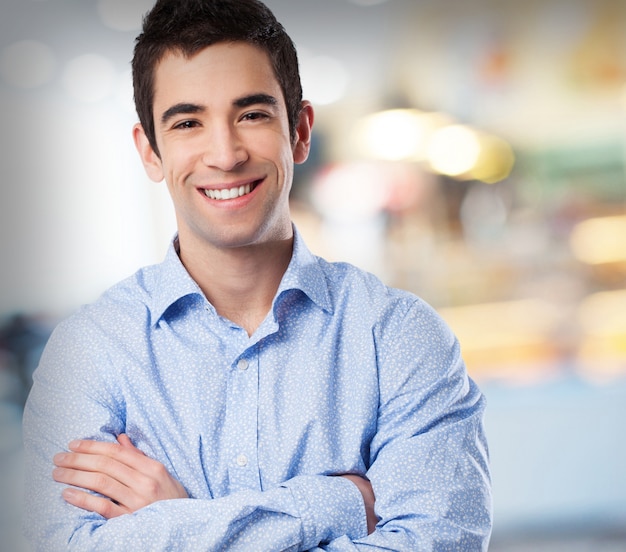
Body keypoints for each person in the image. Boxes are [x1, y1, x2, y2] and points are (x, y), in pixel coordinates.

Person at [22, 0, 492, 549]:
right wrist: (334, 503)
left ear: (299, 130)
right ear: (149, 151)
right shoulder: (90, 351)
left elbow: (441, 542)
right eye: (188, 122)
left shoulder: (401, 337)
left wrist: (173, 524)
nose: (224, 154)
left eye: (251, 114)